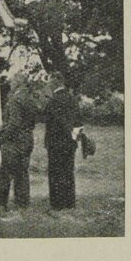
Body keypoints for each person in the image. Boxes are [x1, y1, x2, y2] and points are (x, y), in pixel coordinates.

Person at [0, 77, 37, 211]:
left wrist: (2, 137)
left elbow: (14, 124)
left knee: (5, 173)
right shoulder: (31, 99)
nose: (11, 83)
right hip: (27, 139)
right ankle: (22, 204)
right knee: (22, 173)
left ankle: (0, 205)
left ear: (18, 83)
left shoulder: (15, 100)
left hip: (14, 142)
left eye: (13, 81)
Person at [43, 71, 81, 211]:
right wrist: (74, 138)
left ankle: (57, 204)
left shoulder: (53, 100)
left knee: (55, 173)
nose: (48, 84)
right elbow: (78, 122)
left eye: (49, 82)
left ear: (55, 82)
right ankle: (69, 203)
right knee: (68, 172)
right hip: (70, 142)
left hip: (55, 143)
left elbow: (46, 117)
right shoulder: (72, 99)